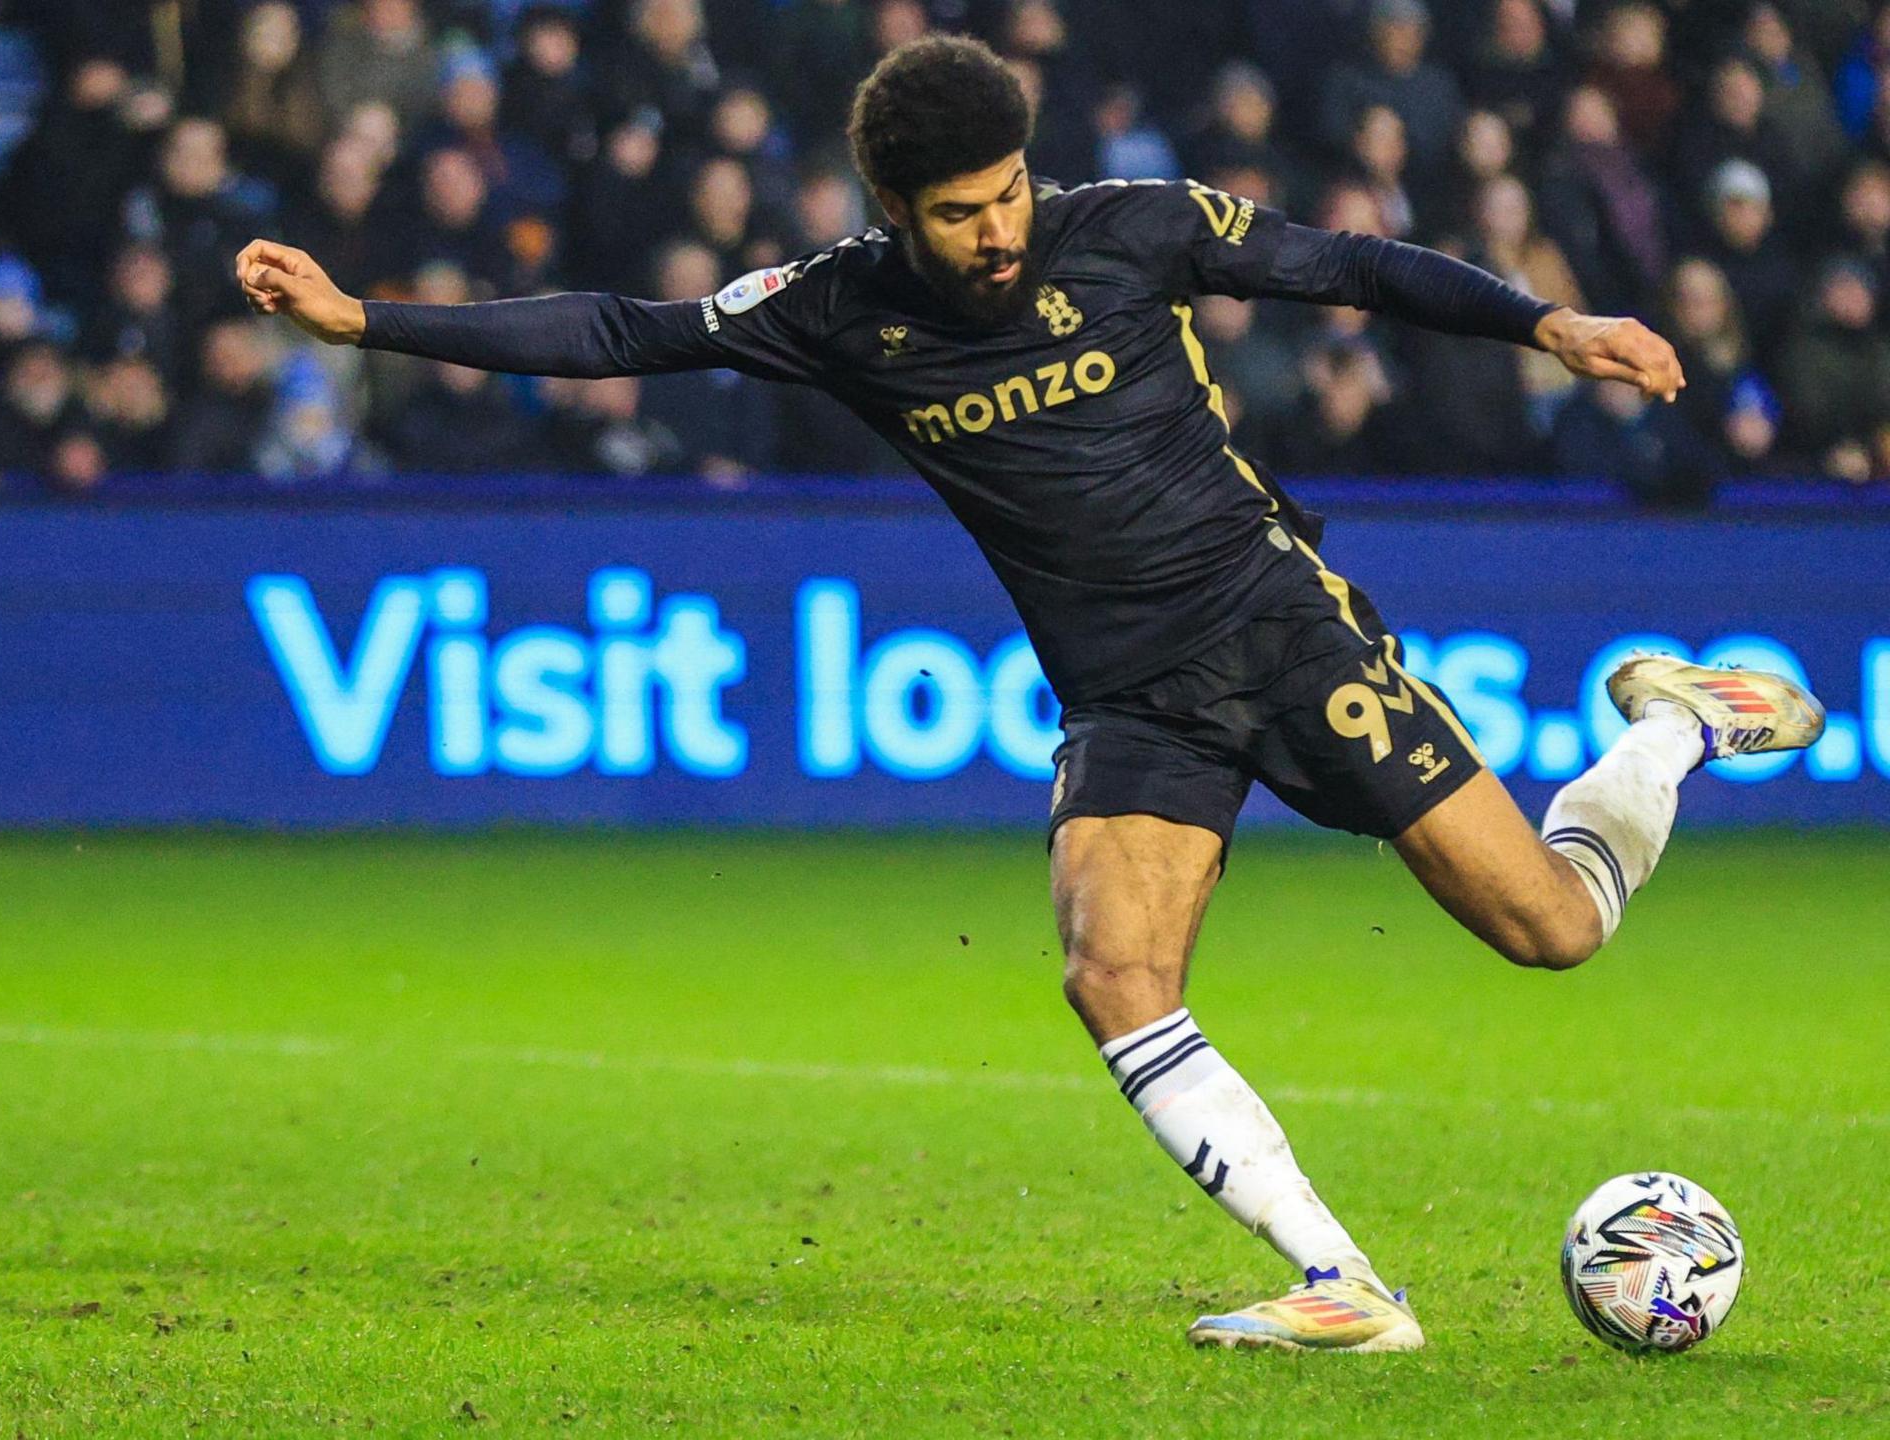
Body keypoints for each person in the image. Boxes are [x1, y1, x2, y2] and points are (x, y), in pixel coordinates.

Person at [237, 34, 1825, 1353]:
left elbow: (1347, 264)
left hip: (1284, 630)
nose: (995, 234)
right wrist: (364, 319)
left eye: (1006, 197)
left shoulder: (1128, 227)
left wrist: (1548, 321)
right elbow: (618, 330)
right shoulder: (838, 308)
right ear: (893, 213)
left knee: (1554, 928)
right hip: (1126, 695)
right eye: (958, 214)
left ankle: (1672, 721)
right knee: (1111, 973)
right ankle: (1349, 1285)